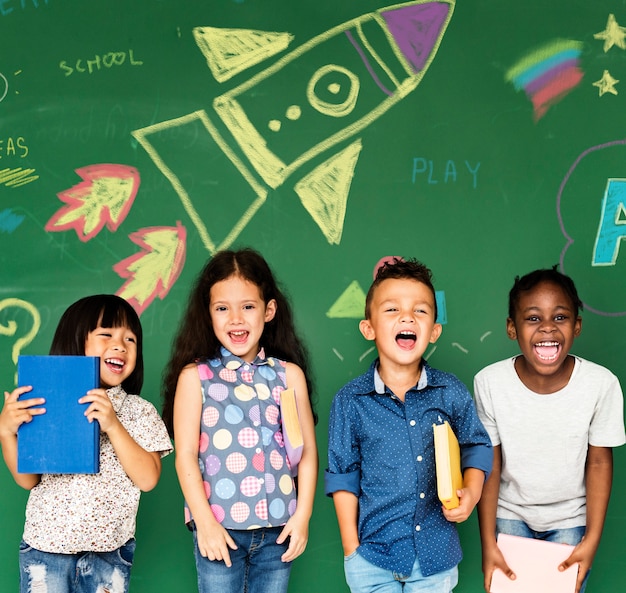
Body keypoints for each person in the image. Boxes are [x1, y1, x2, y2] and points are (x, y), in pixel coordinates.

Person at [325, 257, 492, 593]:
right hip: (372, 557)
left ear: (434, 331)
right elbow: (343, 475)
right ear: (368, 328)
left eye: (420, 311)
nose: (407, 317)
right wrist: (350, 549)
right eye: (392, 310)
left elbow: (477, 446)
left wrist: (471, 494)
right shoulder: (350, 400)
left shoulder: (449, 391)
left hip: (435, 558)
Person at [161, 247, 318, 593]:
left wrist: (302, 515)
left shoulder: (288, 375)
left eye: (247, 306)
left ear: (269, 310)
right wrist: (204, 522)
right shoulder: (195, 377)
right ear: (208, 314)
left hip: (280, 527)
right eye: (222, 308)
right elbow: (185, 455)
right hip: (220, 528)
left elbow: (305, 452)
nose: (236, 319)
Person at [0, 294, 173, 593]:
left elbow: (147, 478)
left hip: (109, 554)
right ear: (75, 340)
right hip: (45, 549)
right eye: (106, 334)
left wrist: (113, 425)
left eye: (130, 339)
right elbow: (28, 480)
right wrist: (6, 433)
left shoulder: (139, 410)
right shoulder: (46, 401)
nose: (119, 345)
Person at [474, 267, 626, 593]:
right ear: (511, 328)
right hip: (510, 514)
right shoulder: (489, 383)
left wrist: (593, 538)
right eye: (532, 318)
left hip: (571, 520)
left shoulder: (601, 385)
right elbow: (491, 462)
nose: (547, 327)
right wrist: (488, 542)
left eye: (560, 317)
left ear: (577, 326)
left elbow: (599, 463)